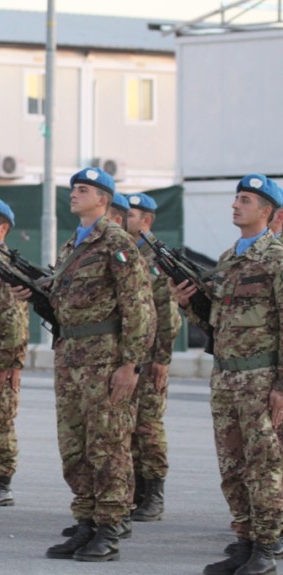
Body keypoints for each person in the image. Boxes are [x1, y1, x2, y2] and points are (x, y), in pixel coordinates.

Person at [31, 167, 154, 562]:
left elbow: (139, 308)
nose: (74, 194)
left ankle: (109, 527)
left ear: (103, 199)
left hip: (104, 357)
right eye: (73, 189)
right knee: (75, 445)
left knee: (108, 444)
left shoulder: (115, 242)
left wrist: (130, 364)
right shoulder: (74, 245)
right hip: (71, 355)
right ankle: (85, 521)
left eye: (83, 190)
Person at [173, 174, 283, 575]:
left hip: (261, 379)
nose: (236, 204)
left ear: (267, 212)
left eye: (247, 200)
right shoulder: (227, 260)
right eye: (236, 197)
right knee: (232, 465)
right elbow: (217, 323)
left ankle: (268, 548)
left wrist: (281, 387)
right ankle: (245, 541)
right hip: (226, 378)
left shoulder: (277, 259)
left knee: (264, 465)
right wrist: (188, 304)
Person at [124, 193, 181, 522]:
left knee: (148, 426)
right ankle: (137, 490)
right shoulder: (127, 253)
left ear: (146, 221)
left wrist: (161, 359)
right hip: (129, 356)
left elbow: (167, 314)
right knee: (128, 427)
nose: (125, 219)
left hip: (149, 358)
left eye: (130, 214)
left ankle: (154, 493)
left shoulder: (155, 258)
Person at [0, 198, 29, 508]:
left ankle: (2, 480)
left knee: (1, 418)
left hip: (6, 351)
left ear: (3, 228)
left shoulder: (7, 262)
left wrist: (15, 361)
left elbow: (18, 318)